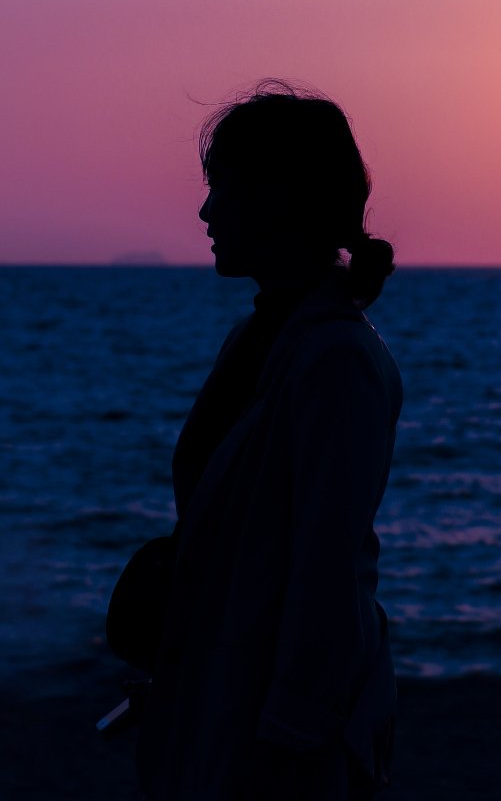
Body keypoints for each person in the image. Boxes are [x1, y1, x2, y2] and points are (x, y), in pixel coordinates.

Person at [135, 81, 402, 800]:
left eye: (223, 188)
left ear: (281, 199)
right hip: (222, 704)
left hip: (274, 740)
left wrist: (291, 735)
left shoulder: (336, 360)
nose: (205, 211)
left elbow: (326, 568)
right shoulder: (260, 339)